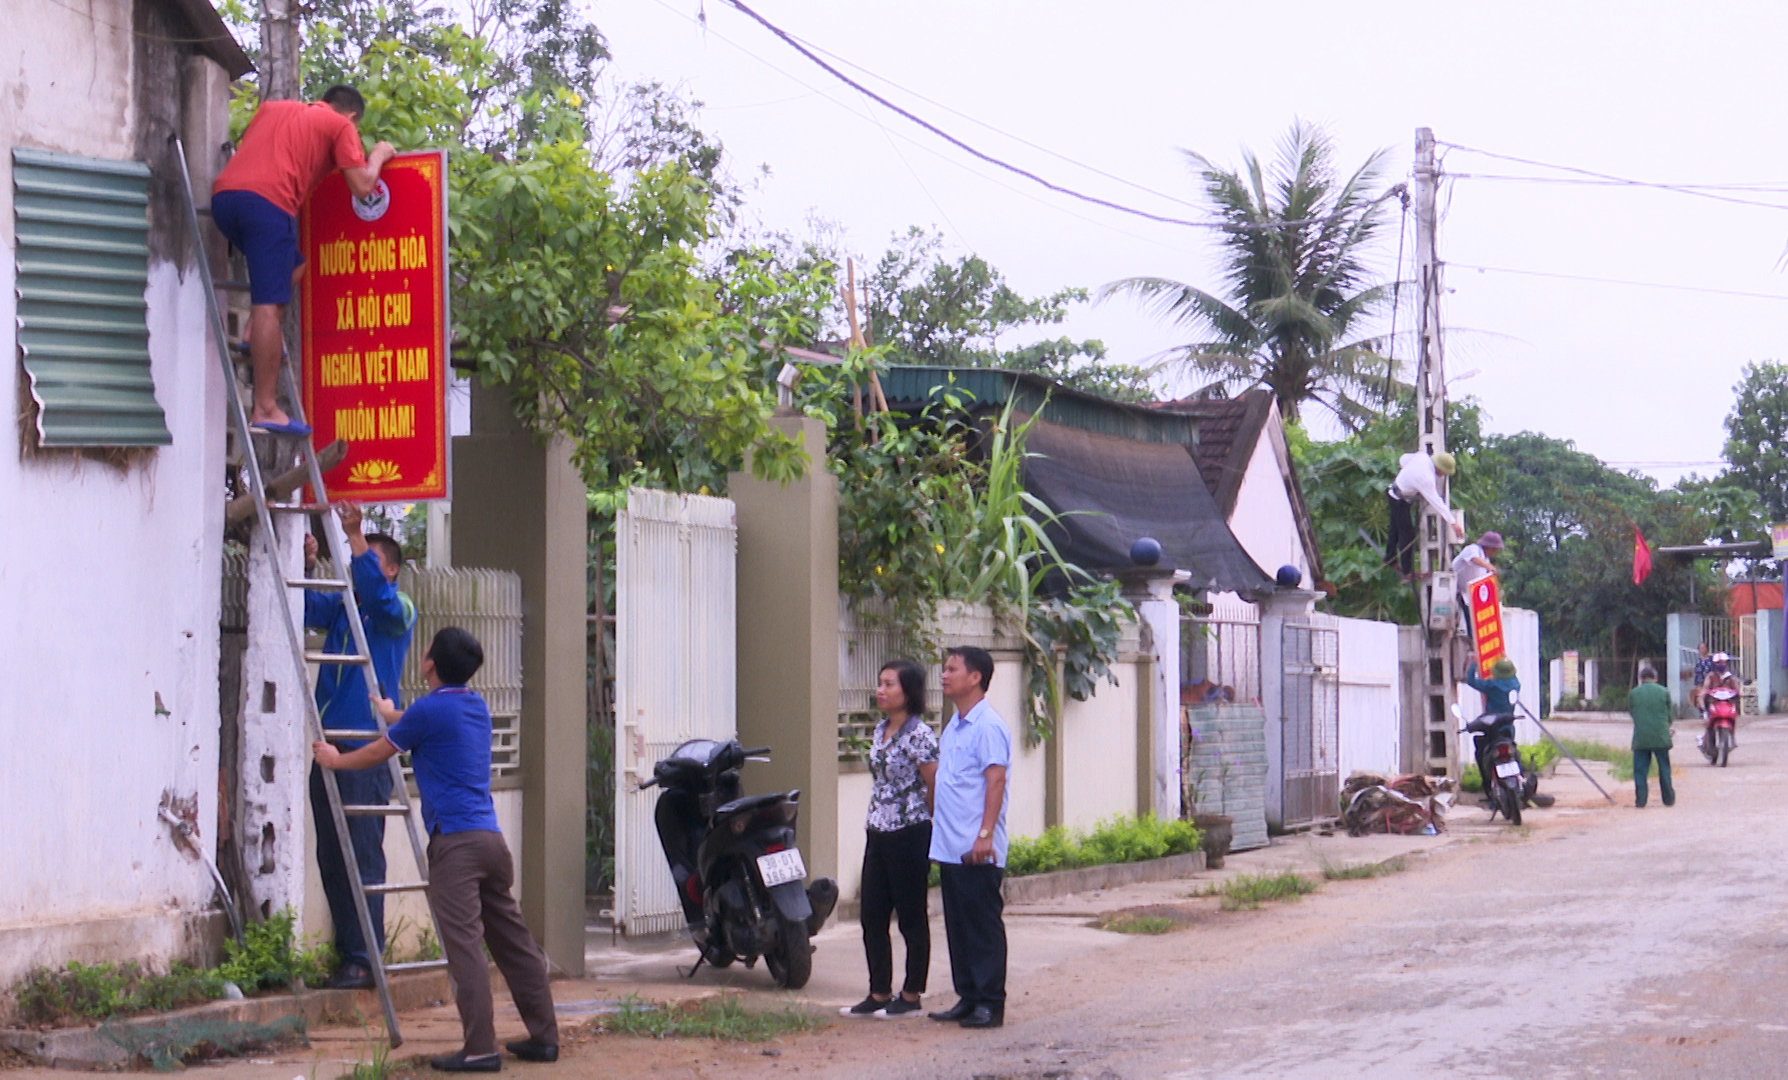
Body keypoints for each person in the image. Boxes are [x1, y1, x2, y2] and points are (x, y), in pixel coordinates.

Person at [314, 627, 559, 1072]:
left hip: (456, 848)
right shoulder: (474, 706)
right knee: (513, 942)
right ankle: (545, 1036)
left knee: (464, 947)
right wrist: (393, 713)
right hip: (491, 842)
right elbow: (421, 722)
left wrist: (336, 760)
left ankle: (481, 1049)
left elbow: (375, 753)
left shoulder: (428, 712)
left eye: (426, 650)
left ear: (429, 664)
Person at [211, 85, 396, 434]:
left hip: (224, 201)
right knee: (269, 303)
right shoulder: (340, 126)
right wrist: (379, 155)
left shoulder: (273, 109)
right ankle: (265, 408)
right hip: (268, 207)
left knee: (295, 266)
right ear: (352, 115)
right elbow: (362, 186)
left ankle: (253, 332)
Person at [302, 504, 417, 990]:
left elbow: (374, 592)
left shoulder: (399, 609)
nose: (357, 565)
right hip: (330, 745)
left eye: (368, 558)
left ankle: (365, 959)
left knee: (362, 854)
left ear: (388, 569)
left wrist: (352, 536)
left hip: (364, 748)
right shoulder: (347, 609)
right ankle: (349, 953)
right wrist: (308, 565)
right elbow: (307, 610)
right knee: (332, 852)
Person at [842, 660, 939, 1019]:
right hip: (878, 829)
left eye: (889, 684)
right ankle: (878, 990)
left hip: (910, 830)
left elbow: (933, 784)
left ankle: (912, 993)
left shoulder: (919, 735)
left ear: (908, 691)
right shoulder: (880, 729)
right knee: (872, 913)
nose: (880, 690)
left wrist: (930, 826)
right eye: (879, 683)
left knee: (911, 915)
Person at [927, 646, 1010, 1031]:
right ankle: (969, 996)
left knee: (981, 926)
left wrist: (985, 835)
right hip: (950, 846)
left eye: (951, 669)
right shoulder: (955, 725)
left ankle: (990, 1003)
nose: (944, 675)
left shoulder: (988, 726)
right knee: (959, 926)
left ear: (974, 677)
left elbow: (996, 781)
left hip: (978, 848)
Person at [1385, 451, 1459, 578]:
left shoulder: (1422, 456)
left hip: (1394, 492)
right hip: (1400, 500)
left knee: (1395, 530)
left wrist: (1408, 477)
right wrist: (1453, 522)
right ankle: (1407, 571)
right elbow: (1436, 501)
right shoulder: (1426, 478)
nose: (1442, 476)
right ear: (1439, 468)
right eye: (1444, 472)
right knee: (1406, 533)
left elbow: (1403, 459)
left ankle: (1390, 558)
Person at [1462, 658, 1520, 791]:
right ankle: (1519, 780)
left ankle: (1488, 787)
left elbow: (1471, 681)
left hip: (1491, 725)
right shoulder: (1516, 684)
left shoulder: (1492, 685)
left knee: (1482, 755)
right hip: (1507, 725)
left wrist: (1474, 663)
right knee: (1513, 752)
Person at [1630, 665, 1675, 808]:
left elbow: (1632, 713)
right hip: (1661, 737)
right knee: (1664, 767)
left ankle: (1641, 800)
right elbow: (1670, 716)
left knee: (1640, 770)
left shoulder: (1634, 693)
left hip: (1641, 738)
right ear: (1655, 678)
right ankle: (1668, 799)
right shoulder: (1664, 692)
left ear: (1640, 679)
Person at [1452, 530, 1504, 609]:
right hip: (1455, 590)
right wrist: (1489, 566)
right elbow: (1474, 558)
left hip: (1468, 596)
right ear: (1490, 547)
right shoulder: (1473, 549)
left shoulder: (1486, 560)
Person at [1700, 651, 1741, 751]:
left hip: (1727, 703)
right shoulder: (1710, 676)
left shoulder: (1730, 677)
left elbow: (1737, 688)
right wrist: (1703, 695)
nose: (1721, 665)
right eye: (1719, 663)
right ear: (1714, 664)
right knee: (1708, 721)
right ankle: (1708, 741)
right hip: (1714, 703)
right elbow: (1705, 688)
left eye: (1723, 663)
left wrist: (1739, 693)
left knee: (1734, 715)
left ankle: (1732, 737)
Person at [1690, 641, 1714, 715]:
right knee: (1700, 699)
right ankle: (1703, 713)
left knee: (1710, 699)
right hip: (1700, 683)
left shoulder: (1711, 660)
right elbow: (1697, 673)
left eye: (1703, 648)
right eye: (1700, 648)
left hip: (1710, 684)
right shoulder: (1698, 661)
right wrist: (1696, 685)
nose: (1702, 650)